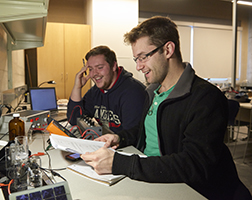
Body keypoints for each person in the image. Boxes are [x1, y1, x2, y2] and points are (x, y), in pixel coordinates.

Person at [81, 16, 252, 200]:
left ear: (168, 49)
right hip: (152, 178)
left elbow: (194, 165)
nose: (138, 67)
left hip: (189, 189)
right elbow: (146, 130)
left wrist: (121, 163)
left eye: (143, 57)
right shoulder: (153, 91)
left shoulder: (205, 97)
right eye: (136, 58)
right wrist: (119, 137)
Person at [67, 45, 146, 136]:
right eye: (91, 69)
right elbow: (74, 120)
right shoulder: (96, 91)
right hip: (107, 143)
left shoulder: (133, 93)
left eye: (100, 68)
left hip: (125, 147)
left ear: (113, 66)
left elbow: (132, 136)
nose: (94, 74)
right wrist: (77, 87)